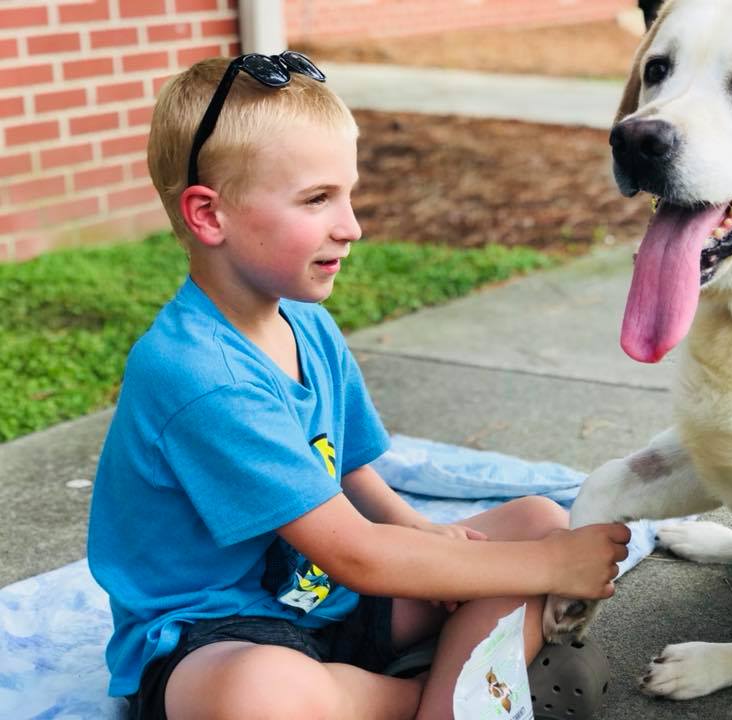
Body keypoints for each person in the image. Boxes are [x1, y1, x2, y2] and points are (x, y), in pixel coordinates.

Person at [87, 51, 630, 720]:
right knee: (261, 694)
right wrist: (553, 570)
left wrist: (423, 532)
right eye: (317, 199)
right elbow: (358, 555)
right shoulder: (198, 374)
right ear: (209, 216)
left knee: (537, 522)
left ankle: (437, 686)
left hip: (327, 601)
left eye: (348, 194)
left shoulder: (305, 322)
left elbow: (348, 469)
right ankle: (444, 698)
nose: (352, 226)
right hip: (217, 634)